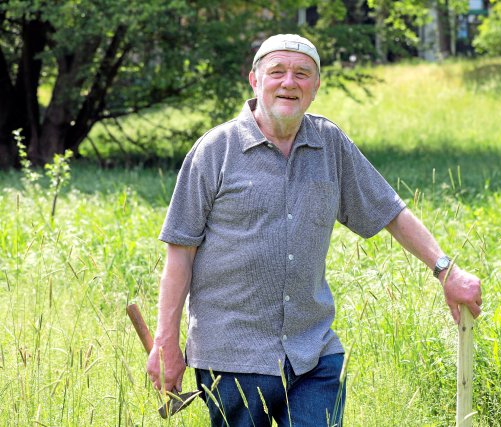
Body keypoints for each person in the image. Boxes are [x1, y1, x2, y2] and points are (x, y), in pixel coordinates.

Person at [146, 34, 482, 426]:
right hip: (233, 358)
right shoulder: (215, 151)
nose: (289, 82)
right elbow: (180, 253)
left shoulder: (330, 144)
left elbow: (389, 211)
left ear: (316, 87)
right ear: (255, 81)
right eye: (277, 72)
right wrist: (165, 340)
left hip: (314, 354)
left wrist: (447, 270)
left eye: (302, 74)